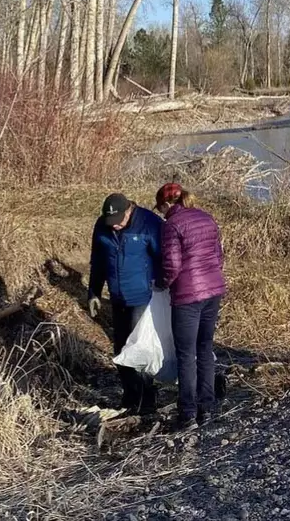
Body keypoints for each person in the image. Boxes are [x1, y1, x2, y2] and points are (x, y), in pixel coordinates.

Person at [156, 183, 227, 430]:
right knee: (205, 348)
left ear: (166, 204)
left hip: (187, 296)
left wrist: (161, 283)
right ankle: (207, 407)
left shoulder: (172, 225)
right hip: (213, 290)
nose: (161, 213)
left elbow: (173, 265)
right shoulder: (206, 218)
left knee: (186, 355)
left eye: (161, 208)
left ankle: (187, 412)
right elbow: (218, 256)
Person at [88, 192, 163, 415]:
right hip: (117, 296)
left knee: (139, 348)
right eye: (111, 222)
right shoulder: (103, 226)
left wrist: (163, 288)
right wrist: (93, 291)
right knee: (120, 349)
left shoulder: (149, 223)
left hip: (143, 297)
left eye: (119, 221)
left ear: (129, 210)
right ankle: (130, 395)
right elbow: (98, 261)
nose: (116, 226)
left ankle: (147, 397)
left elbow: (164, 258)